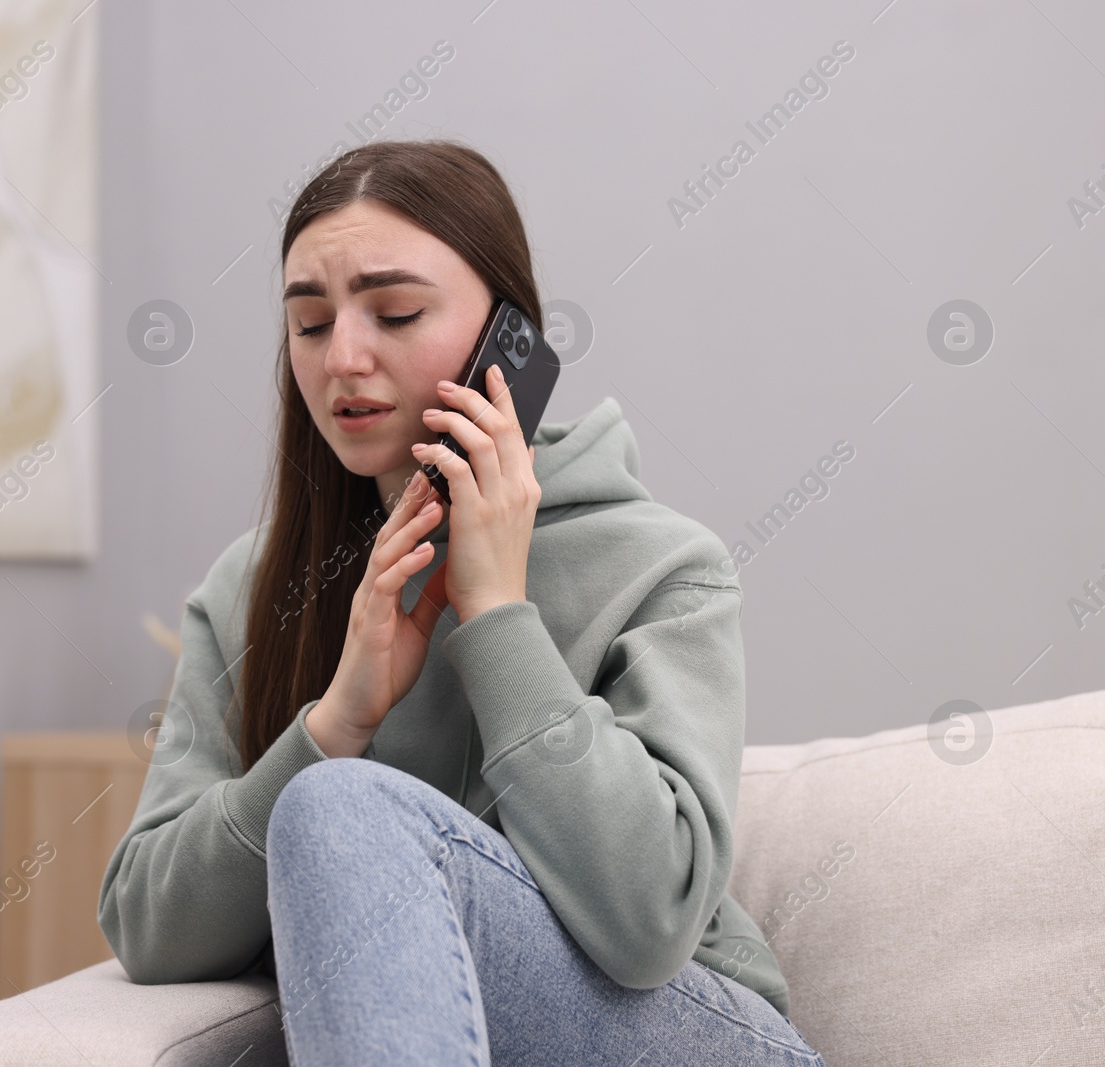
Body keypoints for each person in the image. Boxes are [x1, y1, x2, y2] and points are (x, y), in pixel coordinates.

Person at [97, 139, 826, 1066]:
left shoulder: (665, 566)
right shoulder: (246, 591)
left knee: (341, 810)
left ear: (507, 341)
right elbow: (150, 928)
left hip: (691, 1030)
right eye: (311, 324)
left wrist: (495, 618)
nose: (343, 358)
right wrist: (335, 722)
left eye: (395, 312)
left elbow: (650, 923)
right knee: (333, 797)